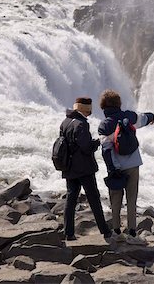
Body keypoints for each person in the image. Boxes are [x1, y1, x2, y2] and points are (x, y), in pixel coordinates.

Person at [98, 90, 154, 241]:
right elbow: (144, 118)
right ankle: (132, 233)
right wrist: (152, 117)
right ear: (119, 103)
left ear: (103, 107)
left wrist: (112, 168)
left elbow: (106, 150)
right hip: (133, 164)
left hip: (117, 167)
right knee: (132, 199)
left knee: (115, 199)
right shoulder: (129, 116)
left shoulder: (104, 125)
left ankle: (117, 232)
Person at [60, 97, 111, 240]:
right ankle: (105, 231)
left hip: (69, 167)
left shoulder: (65, 122)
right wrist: (97, 142)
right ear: (85, 109)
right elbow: (86, 147)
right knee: (94, 198)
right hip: (84, 168)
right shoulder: (81, 124)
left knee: (71, 199)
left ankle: (68, 233)